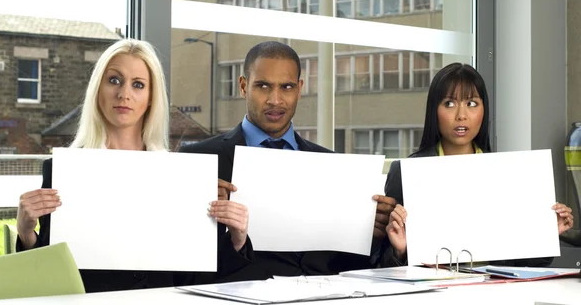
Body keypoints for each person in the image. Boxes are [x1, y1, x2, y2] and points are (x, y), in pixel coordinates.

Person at [15, 39, 250, 292]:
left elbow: (198, 279)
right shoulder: (64, 172)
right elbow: (49, 278)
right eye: (114, 80)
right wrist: (26, 234)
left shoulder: (180, 178)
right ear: (97, 89)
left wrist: (237, 239)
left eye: (138, 84)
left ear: (151, 98)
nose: (124, 94)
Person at [180, 40, 395, 281]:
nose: (275, 99)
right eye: (263, 86)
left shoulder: (332, 166)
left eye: (287, 87)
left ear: (300, 88)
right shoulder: (198, 162)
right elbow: (182, 269)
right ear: (243, 86)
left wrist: (372, 235)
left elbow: (349, 265)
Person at [380, 62, 575, 267]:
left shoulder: (507, 174)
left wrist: (545, 233)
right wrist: (400, 251)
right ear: (433, 111)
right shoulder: (405, 173)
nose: (461, 115)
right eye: (449, 103)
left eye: (471, 103)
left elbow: (523, 264)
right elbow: (379, 265)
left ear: (484, 110)